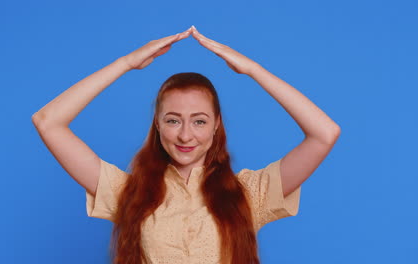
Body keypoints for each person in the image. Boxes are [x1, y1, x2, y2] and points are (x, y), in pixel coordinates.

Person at [32, 25, 340, 264]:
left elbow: (324, 133)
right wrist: (125, 63)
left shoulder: (249, 194)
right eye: (173, 120)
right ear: (157, 124)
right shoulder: (128, 192)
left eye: (200, 121)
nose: (185, 135)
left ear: (217, 124)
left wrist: (253, 70)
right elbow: (48, 121)